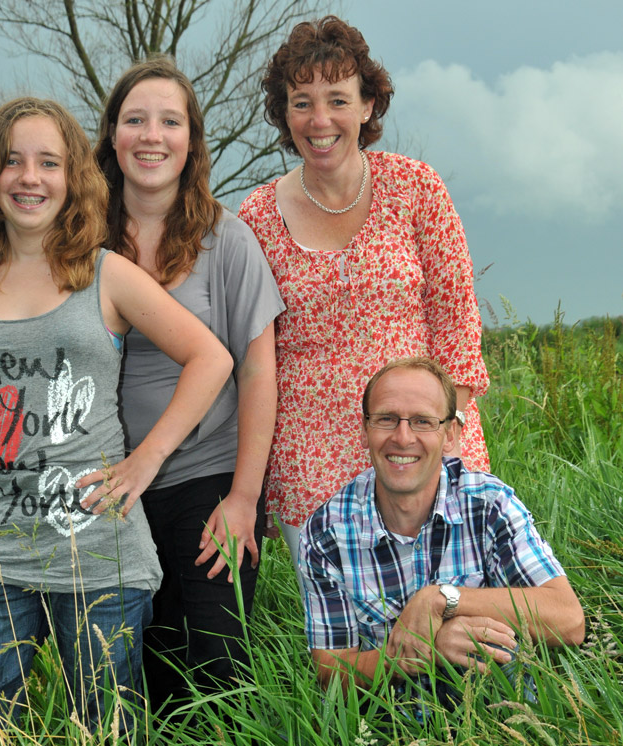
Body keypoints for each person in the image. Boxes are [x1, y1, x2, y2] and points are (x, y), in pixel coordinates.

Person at [0, 97, 233, 740]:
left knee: (107, 728)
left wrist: (144, 461)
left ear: (72, 180)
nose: (29, 178)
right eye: (13, 162)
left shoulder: (105, 275)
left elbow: (210, 358)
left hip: (98, 554)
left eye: (48, 163)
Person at [238, 15, 491, 578]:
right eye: (301, 101)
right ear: (283, 112)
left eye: (338, 99)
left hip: (424, 443)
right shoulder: (254, 218)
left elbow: (457, 328)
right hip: (313, 460)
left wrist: (438, 437)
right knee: (350, 646)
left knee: (454, 627)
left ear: (369, 105)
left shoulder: (416, 188)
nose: (320, 119)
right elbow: (254, 361)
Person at [91, 56, 284, 710]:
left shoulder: (226, 240)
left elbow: (258, 370)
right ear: (112, 136)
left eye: (170, 121)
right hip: (109, 488)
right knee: (136, 680)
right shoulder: (79, 240)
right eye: (136, 119)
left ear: (191, 141)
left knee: (214, 678)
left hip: (207, 478)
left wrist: (243, 497)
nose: (152, 135)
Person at [300, 357, 585, 697]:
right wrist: (422, 651)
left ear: (450, 434)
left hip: (501, 717)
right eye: (386, 419)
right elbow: (330, 670)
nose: (403, 438)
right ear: (364, 430)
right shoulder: (325, 535)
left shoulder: (489, 504)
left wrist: (442, 599)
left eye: (423, 421)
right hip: (387, 724)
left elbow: (569, 620)